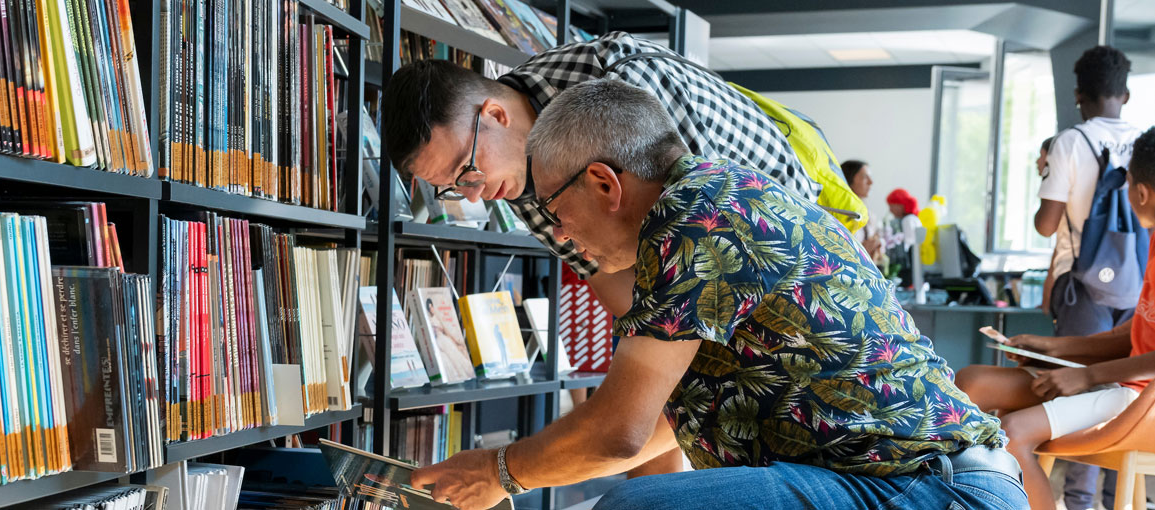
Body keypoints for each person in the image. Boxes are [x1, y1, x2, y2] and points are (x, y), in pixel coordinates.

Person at [407, 79, 1023, 510]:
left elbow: (617, 431)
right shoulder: (710, 206)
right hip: (904, 483)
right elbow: (653, 424)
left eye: (551, 208)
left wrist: (498, 472)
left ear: (603, 183)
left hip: (924, 490)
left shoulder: (698, 219)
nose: (559, 233)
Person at [380, 32, 858, 318]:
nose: (477, 195)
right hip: (718, 262)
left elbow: (709, 233)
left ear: (496, 117)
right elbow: (610, 276)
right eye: (453, 188)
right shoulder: (514, 173)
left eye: (467, 171)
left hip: (787, 235)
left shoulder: (618, 83)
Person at [954, 123, 1155, 510]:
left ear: (1141, 192)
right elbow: (1137, 336)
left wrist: (1086, 374)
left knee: (1012, 432)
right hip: (1128, 387)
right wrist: (1052, 348)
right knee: (973, 382)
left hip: (1150, 399)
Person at [1031, 45, 1145, 510]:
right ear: (1126, 93)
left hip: (1083, 289)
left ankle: (1079, 503)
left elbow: (1045, 224)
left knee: (1080, 394)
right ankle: (1126, 499)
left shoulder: (1070, 141)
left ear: (1079, 95)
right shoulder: (1149, 141)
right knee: (1131, 394)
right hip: (1138, 285)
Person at [841, 160, 884, 261]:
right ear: (849, 178)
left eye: (870, 177)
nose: (871, 182)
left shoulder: (869, 214)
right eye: (865, 177)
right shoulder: (841, 213)